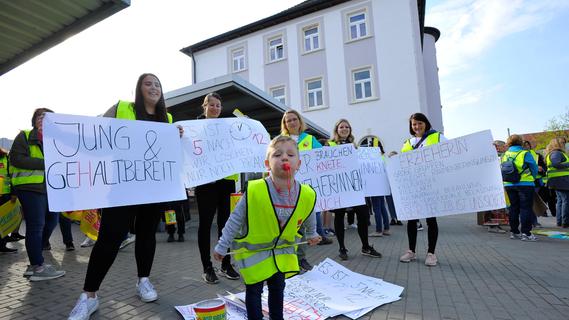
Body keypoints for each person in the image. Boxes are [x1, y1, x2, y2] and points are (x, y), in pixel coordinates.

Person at [68, 73, 184, 320]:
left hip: (153, 189)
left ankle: (143, 281)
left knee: (146, 236)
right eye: (148, 83)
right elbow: (95, 133)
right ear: (138, 88)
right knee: (109, 238)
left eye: (158, 84)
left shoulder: (169, 119)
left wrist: (178, 137)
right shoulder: (121, 108)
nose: (154, 87)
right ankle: (89, 296)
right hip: (121, 188)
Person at [213, 135, 321, 320]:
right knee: (254, 291)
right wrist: (222, 245)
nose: (284, 158)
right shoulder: (255, 191)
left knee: (278, 288)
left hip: (281, 254)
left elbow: (309, 214)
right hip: (255, 256)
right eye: (277, 155)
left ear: (299, 163)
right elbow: (234, 220)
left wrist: (312, 233)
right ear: (267, 163)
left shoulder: (306, 194)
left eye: (290, 154)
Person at [10, 108, 66, 279]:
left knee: (52, 221)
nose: (43, 119)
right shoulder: (25, 136)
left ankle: (36, 254)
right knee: (36, 225)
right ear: (34, 120)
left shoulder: (57, 139)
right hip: (30, 187)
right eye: (39, 116)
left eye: (47, 117)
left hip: (51, 189)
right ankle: (37, 266)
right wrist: (47, 162)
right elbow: (17, 159)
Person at [194, 92, 241, 284]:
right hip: (206, 182)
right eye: (211, 105)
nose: (215, 108)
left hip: (226, 180)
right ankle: (207, 267)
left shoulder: (227, 127)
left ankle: (226, 263)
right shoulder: (194, 128)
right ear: (204, 107)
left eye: (218, 105)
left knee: (226, 224)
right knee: (205, 224)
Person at [280, 110, 332, 271]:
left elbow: (324, 158)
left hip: (305, 191)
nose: (292, 122)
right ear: (285, 124)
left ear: (300, 121)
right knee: (287, 227)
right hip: (287, 190)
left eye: (295, 119)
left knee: (302, 227)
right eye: (288, 120)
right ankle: (288, 260)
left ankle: (301, 258)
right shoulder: (281, 141)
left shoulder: (310, 140)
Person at [326, 119, 382, 261]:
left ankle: (365, 246)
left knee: (363, 216)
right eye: (341, 127)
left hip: (355, 188)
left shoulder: (355, 147)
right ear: (336, 130)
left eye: (347, 127)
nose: (344, 129)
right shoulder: (329, 145)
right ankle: (342, 248)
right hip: (339, 188)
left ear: (350, 130)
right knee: (339, 217)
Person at [399, 113, 447, 266]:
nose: (417, 127)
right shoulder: (407, 143)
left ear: (425, 123)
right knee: (411, 220)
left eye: (419, 123)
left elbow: (456, 152)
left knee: (431, 220)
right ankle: (411, 251)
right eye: (414, 124)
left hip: (431, 186)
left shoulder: (438, 137)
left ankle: (431, 254)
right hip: (412, 187)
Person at [501, 134, 538, 241]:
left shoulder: (505, 154)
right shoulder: (525, 153)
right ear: (521, 142)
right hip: (525, 184)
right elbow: (534, 168)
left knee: (513, 208)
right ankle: (526, 233)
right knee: (525, 208)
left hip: (509, 184)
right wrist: (533, 178)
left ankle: (514, 232)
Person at [545, 137, 569, 228]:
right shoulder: (556, 153)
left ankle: (560, 221)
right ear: (557, 144)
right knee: (565, 201)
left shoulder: (554, 153)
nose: (564, 144)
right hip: (561, 180)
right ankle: (565, 222)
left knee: (560, 201)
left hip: (558, 180)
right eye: (563, 143)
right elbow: (556, 164)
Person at [0, 148, 18, 253]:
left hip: (5, 195)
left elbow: (12, 176)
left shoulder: (6, 158)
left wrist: (14, 193)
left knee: (3, 221)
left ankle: (2, 245)